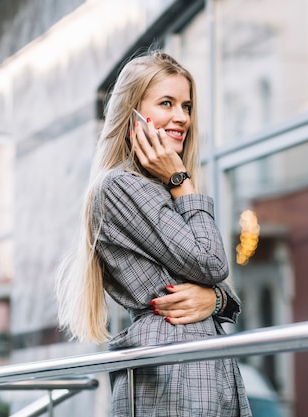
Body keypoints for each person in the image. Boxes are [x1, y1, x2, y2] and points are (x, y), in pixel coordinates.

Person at [56, 50, 252, 417]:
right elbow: (210, 263)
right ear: (132, 112)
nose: (182, 117)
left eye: (187, 106)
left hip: (194, 359)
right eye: (167, 103)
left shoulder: (157, 187)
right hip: (173, 365)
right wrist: (182, 181)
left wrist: (217, 301)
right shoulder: (120, 186)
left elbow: (209, 282)